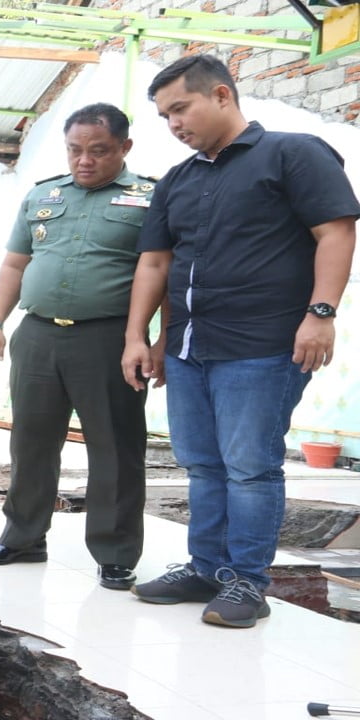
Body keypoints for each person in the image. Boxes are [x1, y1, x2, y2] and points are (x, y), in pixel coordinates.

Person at [122, 55, 358, 628]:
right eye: (164, 116)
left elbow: (335, 231)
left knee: (250, 466)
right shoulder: (178, 180)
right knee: (201, 465)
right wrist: (143, 337)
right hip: (187, 347)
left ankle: (247, 582)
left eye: (181, 108)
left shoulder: (292, 153)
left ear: (222, 95)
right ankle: (206, 568)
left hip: (264, 343)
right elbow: (156, 262)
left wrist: (321, 313)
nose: (174, 123)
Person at [0, 103, 159, 591]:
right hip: (38, 334)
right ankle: (23, 538)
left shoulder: (151, 198)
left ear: (124, 148)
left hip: (109, 338)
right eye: (75, 150)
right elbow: (14, 264)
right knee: (30, 442)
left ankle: (115, 553)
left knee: (115, 448)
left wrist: (151, 340)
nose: (84, 161)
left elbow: (160, 272)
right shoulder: (43, 195)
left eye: (98, 151)